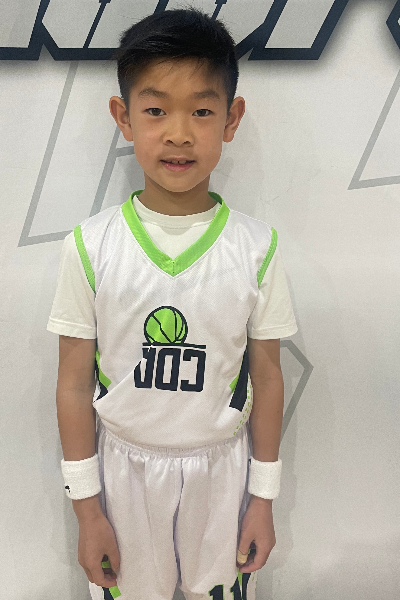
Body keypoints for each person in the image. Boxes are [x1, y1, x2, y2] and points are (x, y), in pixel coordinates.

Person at [47, 7, 298, 600]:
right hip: (123, 476)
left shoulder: (256, 248)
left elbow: (267, 377)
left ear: (231, 118)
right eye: (156, 110)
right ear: (123, 117)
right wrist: (87, 508)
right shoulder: (89, 245)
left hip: (222, 475)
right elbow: (73, 384)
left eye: (202, 111)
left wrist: (262, 497)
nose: (179, 133)